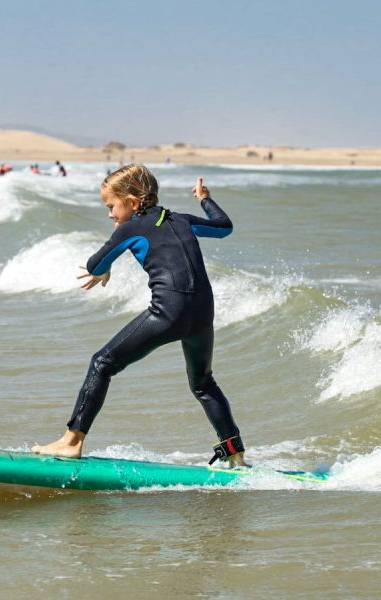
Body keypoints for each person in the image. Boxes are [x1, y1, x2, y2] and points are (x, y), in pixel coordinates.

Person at [33, 164, 246, 467]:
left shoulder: (130, 228)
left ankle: (72, 441)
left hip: (169, 311)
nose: (110, 214)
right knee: (203, 384)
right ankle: (235, 453)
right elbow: (224, 226)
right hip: (202, 313)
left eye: (111, 206)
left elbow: (93, 265)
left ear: (132, 203)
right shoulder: (182, 220)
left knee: (102, 363)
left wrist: (106, 264)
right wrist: (204, 199)